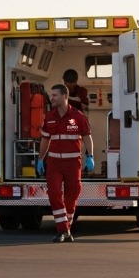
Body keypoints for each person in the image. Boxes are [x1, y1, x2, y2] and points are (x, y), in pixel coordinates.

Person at [36, 84, 94, 243]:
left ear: (65, 96)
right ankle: (62, 229)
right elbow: (45, 139)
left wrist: (90, 156)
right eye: (51, 95)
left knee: (72, 195)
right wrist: (41, 159)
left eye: (55, 95)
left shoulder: (78, 116)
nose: (52, 98)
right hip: (54, 163)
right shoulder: (50, 116)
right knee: (54, 193)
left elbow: (87, 137)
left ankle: (66, 227)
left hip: (73, 163)